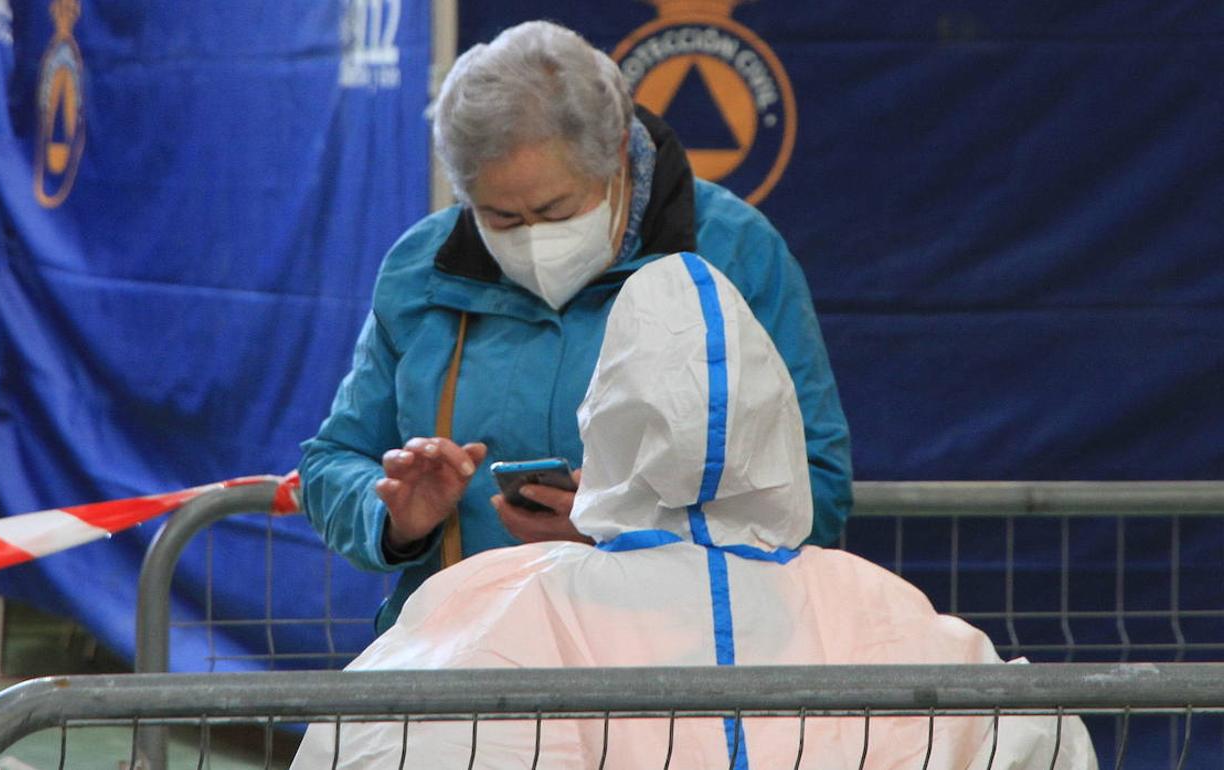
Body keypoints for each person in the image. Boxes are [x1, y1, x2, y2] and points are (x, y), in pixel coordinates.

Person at [290, 254, 1097, 769]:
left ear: (604, 419)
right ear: (777, 418)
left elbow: (370, 745)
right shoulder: (893, 616)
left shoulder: (486, 608)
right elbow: (1041, 743)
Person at [300, 19, 851, 633]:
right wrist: (396, 515)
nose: (533, 237)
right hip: (465, 658)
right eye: (500, 217)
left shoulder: (732, 253)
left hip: (668, 664)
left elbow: (815, 487)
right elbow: (332, 461)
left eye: (556, 209)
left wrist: (632, 528)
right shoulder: (419, 270)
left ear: (617, 153)